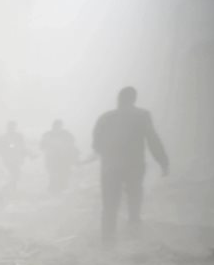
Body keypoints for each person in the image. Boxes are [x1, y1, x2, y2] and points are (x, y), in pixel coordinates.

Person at [92, 86, 169, 242]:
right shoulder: (142, 115)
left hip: (110, 167)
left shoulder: (105, 117)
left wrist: (110, 154)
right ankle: (133, 241)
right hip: (133, 166)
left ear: (118, 99)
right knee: (134, 203)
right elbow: (152, 139)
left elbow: (96, 145)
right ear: (133, 99)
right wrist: (163, 161)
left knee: (109, 206)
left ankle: (107, 243)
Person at [40, 119, 78, 193]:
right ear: (53, 126)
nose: (57, 127)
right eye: (56, 125)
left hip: (63, 158)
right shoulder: (48, 134)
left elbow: (71, 143)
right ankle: (53, 188)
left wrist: (71, 152)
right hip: (51, 158)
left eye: (59, 125)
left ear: (61, 126)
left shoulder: (66, 134)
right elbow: (42, 145)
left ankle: (62, 187)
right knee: (53, 173)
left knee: (64, 172)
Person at [0, 121, 27, 191]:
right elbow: (0, 149)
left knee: (16, 173)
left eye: (13, 127)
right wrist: (9, 148)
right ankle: (10, 187)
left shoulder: (19, 136)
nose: (12, 128)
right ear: (8, 127)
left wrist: (25, 154)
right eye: (11, 126)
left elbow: (22, 146)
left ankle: (11, 187)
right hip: (8, 159)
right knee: (15, 173)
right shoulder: (3, 137)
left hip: (17, 158)